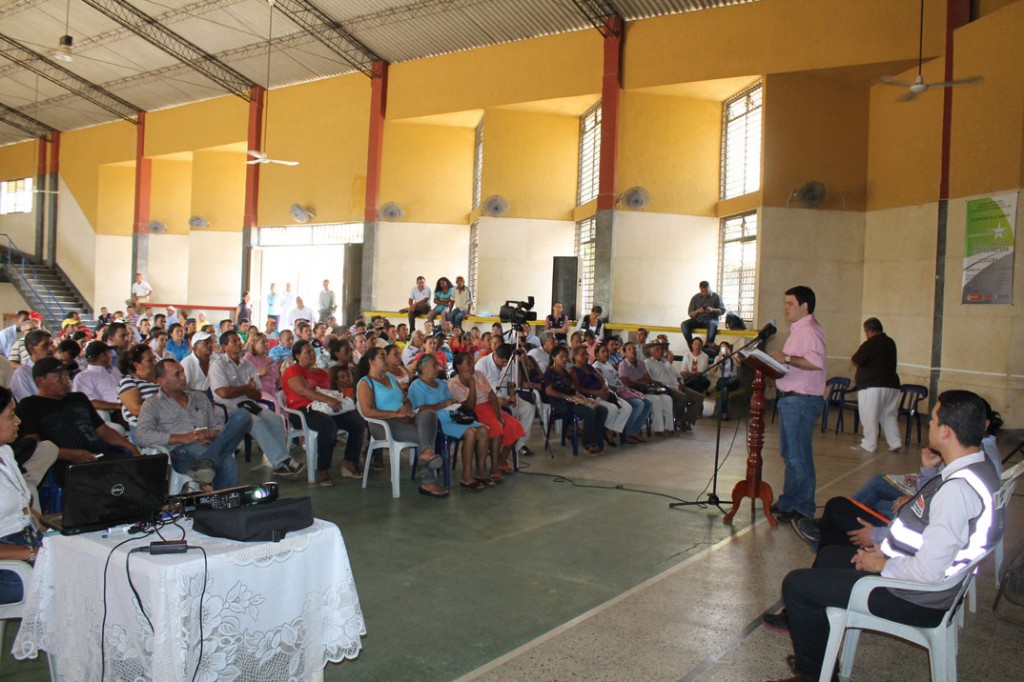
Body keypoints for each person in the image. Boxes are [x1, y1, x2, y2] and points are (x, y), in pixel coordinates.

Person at [766, 390, 1003, 682]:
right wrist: (887, 551)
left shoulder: (957, 491)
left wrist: (882, 565)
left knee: (796, 586)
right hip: (926, 582)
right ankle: (821, 656)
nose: (928, 425)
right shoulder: (979, 468)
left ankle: (814, 676)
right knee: (828, 556)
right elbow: (937, 543)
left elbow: (928, 572)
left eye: (933, 420)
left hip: (916, 598)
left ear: (945, 431)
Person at [17, 358, 140, 481]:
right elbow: (33, 445)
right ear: (40, 380)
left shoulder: (79, 398)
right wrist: (70, 454)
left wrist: (130, 446)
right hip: (63, 465)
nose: (65, 380)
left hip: (99, 456)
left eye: (66, 375)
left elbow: (102, 430)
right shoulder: (29, 406)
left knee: (137, 473)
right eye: (58, 376)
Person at [136, 359, 250, 490]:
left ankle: (206, 463)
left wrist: (211, 433)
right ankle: (225, 506)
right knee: (227, 461)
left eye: (183, 372)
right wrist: (183, 438)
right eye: (177, 375)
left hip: (211, 445)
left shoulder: (199, 397)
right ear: (162, 381)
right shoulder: (152, 404)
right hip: (183, 452)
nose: (184, 377)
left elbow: (218, 425)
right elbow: (141, 435)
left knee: (243, 415)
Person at [767, 285, 826, 524]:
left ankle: (803, 507)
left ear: (805, 306)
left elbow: (815, 362)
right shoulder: (798, 330)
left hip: (801, 400)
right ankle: (789, 501)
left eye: (790, 303)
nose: (786, 308)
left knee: (798, 456)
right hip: (792, 399)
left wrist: (786, 358)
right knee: (790, 454)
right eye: (785, 303)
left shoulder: (809, 330)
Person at [209, 330, 305, 478]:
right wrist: (246, 388)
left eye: (240, 340)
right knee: (256, 423)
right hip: (228, 409)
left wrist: (246, 391)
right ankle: (282, 460)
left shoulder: (247, 365)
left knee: (276, 420)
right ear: (224, 347)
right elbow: (223, 393)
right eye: (234, 341)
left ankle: (280, 464)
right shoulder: (218, 365)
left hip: (248, 404)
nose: (239, 343)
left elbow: (257, 393)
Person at [356, 347, 445, 496]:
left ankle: (426, 453)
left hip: (405, 418)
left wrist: (406, 407)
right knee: (424, 436)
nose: (385, 360)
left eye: (385, 356)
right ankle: (428, 480)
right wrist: (395, 414)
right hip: (384, 425)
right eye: (382, 357)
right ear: (371, 362)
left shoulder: (390, 378)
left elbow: (406, 399)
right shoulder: (366, 383)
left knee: (429, 414)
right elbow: (367, 411)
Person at [282, 340, 366, 486]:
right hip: (301, 411)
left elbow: (328, 391)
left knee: (357, 422)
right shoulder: (293, 371)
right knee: (328, 425)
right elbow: (303, 391)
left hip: (324, 409)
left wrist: (337, 397)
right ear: (297, 355)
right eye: (307, 352)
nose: (312, 354)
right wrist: (329, 400)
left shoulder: (321, 372)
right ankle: (323, 468)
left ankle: (349, 462)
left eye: (312, 351)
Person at [408, 354, 491, 491]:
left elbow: (452, 399)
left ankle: (480, 472)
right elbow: (420, 409)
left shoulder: (441, 383)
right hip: (438, 422)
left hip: (453, 416)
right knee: (470, 433)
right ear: (423, 367)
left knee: (483, 430)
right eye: (434, 365)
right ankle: (467, 476)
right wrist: (442, 405)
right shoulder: (417, 386)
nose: (438, 368)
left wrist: (454, 403)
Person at [449, 351, 524, 480]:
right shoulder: (453, 383)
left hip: (489, 406)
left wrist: (498, 414)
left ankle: (501, 459)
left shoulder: (479, 374)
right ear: (459, 366)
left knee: (515, 426)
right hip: (474, 412)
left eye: (472, 362)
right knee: (497, 427)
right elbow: (470, 406)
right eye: (468, 362)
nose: (472, 365)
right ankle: (494, 468)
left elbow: (492, 396)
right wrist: (471, 384)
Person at [0, 386, 43, 605]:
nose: (18, 421)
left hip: (26, 543)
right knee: (70, 581)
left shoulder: (5, 452)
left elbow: (23, 507)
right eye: (11, 416)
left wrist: (53, 530)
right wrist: (31, 552)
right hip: (7, 567)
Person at [542, 345, 607, 454]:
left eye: (566, 357)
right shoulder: (550, 372)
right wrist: (567, 397)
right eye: (561, 357)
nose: (564, 359)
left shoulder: (565, 372)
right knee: (590, 412)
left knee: (602, 410)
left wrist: (581, 398)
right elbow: (549, 391)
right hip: (560, 403)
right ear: (553, 357)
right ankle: (588, 442)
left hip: (571, 400)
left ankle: (597, 439)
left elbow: (573, 388)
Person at [850, 317, 902, 454]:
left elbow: (856, 359)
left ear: (868, 330)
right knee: (888, 415)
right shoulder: (890, 342)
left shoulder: (870, 343)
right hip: (892, 385)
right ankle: (895, 442)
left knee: (869, 415)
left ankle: (868, 444)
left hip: (872, 386)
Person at [569, 345, 631, 447]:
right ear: (574, 356)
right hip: (590, 397)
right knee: (613, 408)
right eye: (582, 354)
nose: (586, 357)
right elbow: (578, 388)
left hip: (603, 393)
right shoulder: (573, 370)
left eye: (587, 354)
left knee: (627, 408)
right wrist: (597, 393)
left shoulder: (590, 367)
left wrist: (605, 388)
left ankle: (609, 430)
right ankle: (600, 433)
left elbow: (603, 379)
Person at [593, 342, 651, 444]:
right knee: (638, 404)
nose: (606, 353)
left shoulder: (608, 364)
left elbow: (618, 379)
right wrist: (617, 389)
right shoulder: (597, 366)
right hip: (612, 393)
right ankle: (626, 432)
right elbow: (602, 384)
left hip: (622, 390)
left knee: (648, 403)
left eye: (607, 351)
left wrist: (626, 388)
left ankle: (633, 430)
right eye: (603, 351)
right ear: (597, 354)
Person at [644, 341, 703, 432]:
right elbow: (649, 378)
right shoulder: (647, 363)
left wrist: (681, 382)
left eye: (661, 349)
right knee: (682, 398)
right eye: (657, 349)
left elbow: (677, 375)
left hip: (677, 385)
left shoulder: (665, 362)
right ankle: (679, 420)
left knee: (699, 397)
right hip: (666, 388)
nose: (661, 351)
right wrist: (658, 384)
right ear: (650, 351)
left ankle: (685, 420)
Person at [618, 341, 674, 436]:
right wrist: (641, 382)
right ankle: (659, 429)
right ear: (624, 352)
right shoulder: (623, 365)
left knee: (667, 399)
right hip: (634, 392)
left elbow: (648, 379)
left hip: (646, 389)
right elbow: (627, 383)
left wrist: (638, 381)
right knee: (655, 400)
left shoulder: (641, 363)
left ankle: (669, 428)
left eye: (634, 349)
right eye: (629, 349)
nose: (633, 351)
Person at [72, 341, 123, 422]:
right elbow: (90, 402)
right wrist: (120, 406)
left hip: (130, 405)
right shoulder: (83, 377)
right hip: (115, 413)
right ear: (102, 356)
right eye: (109, 353)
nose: (112, 356)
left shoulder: (114, 370)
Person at [117, 343, 160, 434]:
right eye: (150, 360)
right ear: (137, 365)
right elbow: (136, 410)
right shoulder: (128, 382)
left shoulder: (158, 379)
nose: (155, 363)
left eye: (154, 358)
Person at [11, 329, 54, 401]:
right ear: (32, 349)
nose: (51, 348)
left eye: (51, 344)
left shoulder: (56, 369)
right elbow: (28, 405)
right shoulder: (22, 374)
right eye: (45, 345)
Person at [681, 280, 723, 348]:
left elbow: (722, 310)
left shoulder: (716, 297)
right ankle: (692, 346)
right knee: (684, 324)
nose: (705, 293)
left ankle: (708, 346)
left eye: (706, 291)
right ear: (700, 289)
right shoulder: (695, 298)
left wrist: (713, 310)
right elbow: (691, 314)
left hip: (711, 319)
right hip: (698, 320)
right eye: (702, 291)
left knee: (713, 324)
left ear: (709, 288)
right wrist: (697, 311)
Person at [243, 332, 281, 405]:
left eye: (267, 341)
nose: (266, 344)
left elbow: (277, 379)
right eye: (263, 342)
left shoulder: (269, 360)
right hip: (258, 393)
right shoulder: (248, 358)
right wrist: (258, 373)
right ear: (254, 343)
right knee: (273, 403)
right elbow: (243, 378)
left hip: (274, 391)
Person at [712, 341, 741, 421]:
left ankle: (718, 386)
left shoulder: (734, 356)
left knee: (736, 378)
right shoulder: (717, 358)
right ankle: (724, 413)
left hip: (733, 380)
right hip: (723, 380)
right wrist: (719, 357)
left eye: (726, 347)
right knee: (724, 389)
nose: (724, 349)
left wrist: (731, 355)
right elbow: (714, 370)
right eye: (722, 348)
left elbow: (739, 365)